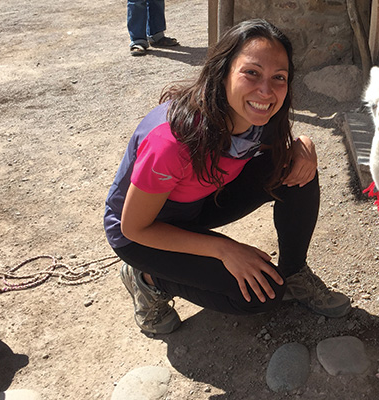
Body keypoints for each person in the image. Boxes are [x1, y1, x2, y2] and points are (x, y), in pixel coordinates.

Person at [104, 19, 351, 334]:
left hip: (197, 203)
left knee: (298, 170)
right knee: (262, 296)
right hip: (144, 233)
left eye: (279, 77)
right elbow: (134, 227)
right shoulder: (171, 142)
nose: (266, 90)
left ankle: (295, 273)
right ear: (222, 73)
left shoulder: (258, 115)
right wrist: (223, 249)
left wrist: (304, 146)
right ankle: (147, 278)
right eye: (251, 73)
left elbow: (282, 153)